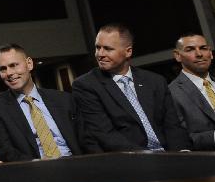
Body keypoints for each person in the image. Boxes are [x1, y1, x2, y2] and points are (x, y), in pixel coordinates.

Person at [72, 24, 190, 152]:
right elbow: (104, 134)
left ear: (128, 51)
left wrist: (181, 153)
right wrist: (147, 156)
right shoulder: (86, 85)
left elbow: (172, 125)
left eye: (108, 49)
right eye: (97, 47)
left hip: (169, 155)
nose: (100, 54)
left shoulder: (155, 81)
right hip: (131, 159)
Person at [0, 44, 85, 161]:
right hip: (34, 170)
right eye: (3, 69)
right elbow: (4, 151)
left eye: (13, 65)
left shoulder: (64, 99)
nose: (9, 73)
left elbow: (84, 137)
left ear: (29, 64)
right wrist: (36, 164)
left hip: (75, 163)